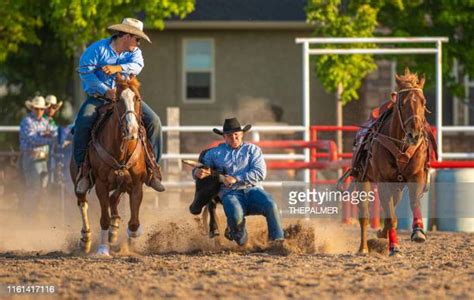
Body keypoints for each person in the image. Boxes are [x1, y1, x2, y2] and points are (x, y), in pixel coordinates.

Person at [74, 18, 164, 194]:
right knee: (82, 123)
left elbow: (138, 65)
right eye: (137, 39)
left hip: (125, 97)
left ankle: (152, 170)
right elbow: (85, 72)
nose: (138, 43)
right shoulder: (97, 49)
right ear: (127, 36)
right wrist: (105, 89)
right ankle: (83, 173)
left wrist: (117, 68)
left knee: (155, 121)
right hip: (99, 98)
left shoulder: (134, 52)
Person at [193, 118, 284, 246]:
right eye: (230, 136)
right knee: (236, 217)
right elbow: (202, 168)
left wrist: (236, 178)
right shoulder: (214, 153)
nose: (234, 138)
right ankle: (240, 238)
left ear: (242, 135)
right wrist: (197, 173)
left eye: (236, 135)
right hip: (230, 194)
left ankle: (277, 241)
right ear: (224, 137)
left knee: (271, 204)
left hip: (253, 190)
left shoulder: (253, 150)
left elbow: (260, 173)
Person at [19, 96, 57, 213]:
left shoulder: (45, 121)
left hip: (43, 158)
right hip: (31, 157)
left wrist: (47, 135)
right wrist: (47, 136)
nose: (39, 111)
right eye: (37, 109)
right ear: (32, 108)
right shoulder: (27, 121)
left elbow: (54, 132)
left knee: (43, 188)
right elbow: (32, 139)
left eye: (41, 109)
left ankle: (37, 215)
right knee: (34, 188)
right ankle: (29, 215)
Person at [44, 95, 63, 185]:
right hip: (43, 155)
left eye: (54, 107)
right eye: (48, 106)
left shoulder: (52, 122)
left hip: (50, 154)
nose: (51, 109)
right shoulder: (41, 120)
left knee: (50, 180)